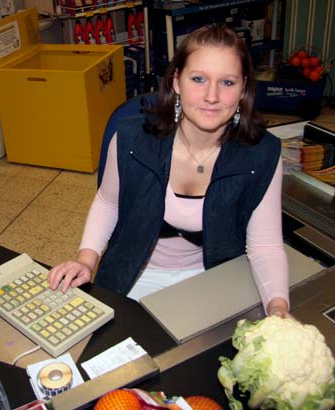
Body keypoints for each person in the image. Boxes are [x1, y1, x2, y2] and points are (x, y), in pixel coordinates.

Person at [48, 24, 290, 318]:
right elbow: (108, 202)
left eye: (227, 82)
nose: (211, 96)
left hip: (213, 278)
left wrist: (278, 307)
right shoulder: (130, 138)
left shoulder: (262, 154)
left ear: (243, 89)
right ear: (177, 81)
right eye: (198, 79)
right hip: (136, 274)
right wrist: (86, 261)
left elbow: (265, 244)